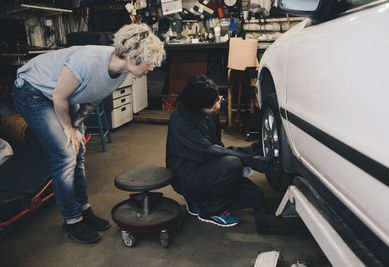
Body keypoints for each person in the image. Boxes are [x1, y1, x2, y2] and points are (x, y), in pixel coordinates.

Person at [13, 23, 165, 243]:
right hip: (33, 91)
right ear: (135, 58)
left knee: (79, 150)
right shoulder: (89, 61)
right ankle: (72, 220)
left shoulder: (122, 73)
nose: (152, 69)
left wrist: (77, 126)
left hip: (65, 96)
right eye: (150, 64)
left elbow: (92, 98)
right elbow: (59, 97)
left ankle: (83, 209)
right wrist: (68, 129)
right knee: (65, 156)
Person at [166, 75, 270, 227]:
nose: (217, 106)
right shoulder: (180, 121)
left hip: (206, 167)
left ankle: (199, 199)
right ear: (197, 106)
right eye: (212, 104)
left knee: (255, 197)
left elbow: (220, 149)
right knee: (232, 164)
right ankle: (209, 211)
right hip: (186, 174)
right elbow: (211, 151)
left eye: (217, 99)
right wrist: (251, 161)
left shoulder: (209, 115)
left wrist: (252, 149)